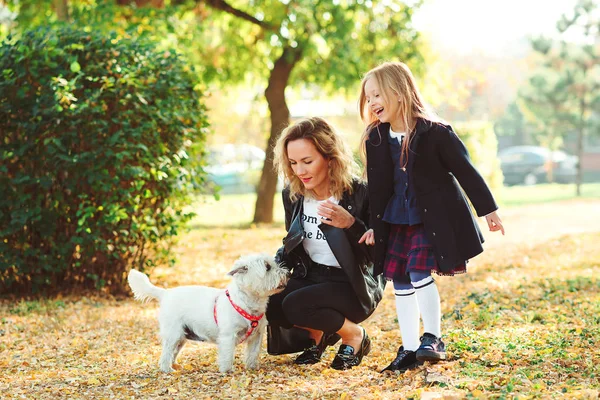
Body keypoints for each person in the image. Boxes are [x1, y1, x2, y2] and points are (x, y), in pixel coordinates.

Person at [356, 61, 505, 373]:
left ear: (399, 93)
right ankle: (409, 347)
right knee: (399, 279)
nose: (371, 103)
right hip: (395, 218)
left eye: (376, 95)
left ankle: (433, 338)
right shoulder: (377, 138)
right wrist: (372, 224)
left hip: (428, 218)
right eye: (367, 98)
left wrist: (488, 210)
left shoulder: (434, 133)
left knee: (418, 270)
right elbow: (376, 188)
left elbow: (466, 171)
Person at [266, 117, 385, 370]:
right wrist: (270, 271)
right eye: (293, 163)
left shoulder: (361, 193)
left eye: (307, 161)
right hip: (312, 275)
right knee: (269, 301)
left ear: (330, 158)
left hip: (353, 283)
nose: (300, 171)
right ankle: (318, 335)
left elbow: (379, 256)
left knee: (295, 304)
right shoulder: (293, 194)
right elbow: (292, 241)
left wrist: (351, 224)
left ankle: (354, 336)